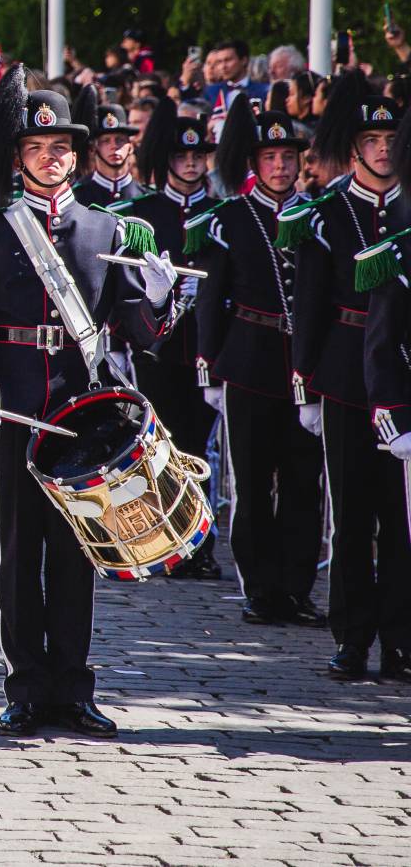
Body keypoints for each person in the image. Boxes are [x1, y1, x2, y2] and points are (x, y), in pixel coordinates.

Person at [0, 68, 179, 738]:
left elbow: (140, 332)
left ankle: (73, 687)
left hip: (83, 411)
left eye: (62, 148)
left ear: (78, 154)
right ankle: (25, 686)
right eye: (38, 149)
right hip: (13, 407)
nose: (52, 158)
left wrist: (160, 297)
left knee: (79, 551)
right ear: (18, 157)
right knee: (18, 553)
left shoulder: (109, 230)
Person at [290, 71, 408, 680]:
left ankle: (402, 638)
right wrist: (304, 381)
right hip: (344, 372)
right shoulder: (326, 213)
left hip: (405, 377)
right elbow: (308, 305)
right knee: (352, 513)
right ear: (354, 147)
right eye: (371, 140)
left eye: (391, 139)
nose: (383, 149)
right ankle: (352, 636)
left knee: (403, 516)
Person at [190, 97, 323, 627]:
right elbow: (209, 300)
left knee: (302, 480)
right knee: (250, 480)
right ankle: (260, 588)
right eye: (270, 157)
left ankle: (297, 586)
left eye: (288, 157)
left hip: (306, 365)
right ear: (254, 164)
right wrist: (209, 369)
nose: (280, 166)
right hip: (248, 359)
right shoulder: (227, 218)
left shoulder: (317, 215)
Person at [119, 98, 221, 579]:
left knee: (200, 449)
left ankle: (200, 541)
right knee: (160, 445)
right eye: (182, 158)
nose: (190, 164)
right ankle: (164, 540)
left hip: (205, 345)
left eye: (198, 157)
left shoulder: (220, 212)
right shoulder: (143, 214)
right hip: (156, 346)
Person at [71, 86, 143, 209]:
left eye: (120, 140)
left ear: (130, 147)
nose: (114, 145)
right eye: (105, 141)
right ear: (93, 149)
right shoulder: (77, 197)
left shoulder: (144, 197)